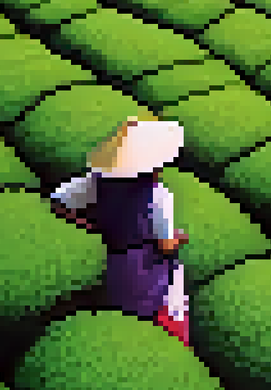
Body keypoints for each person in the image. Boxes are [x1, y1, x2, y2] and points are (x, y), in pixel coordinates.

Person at [49, 117, 190, 346]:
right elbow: (165, 246)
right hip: (147, 268)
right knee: (167, 311)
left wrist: (86, 225)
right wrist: (178, 239)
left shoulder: (95, 182)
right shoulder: (158, 195)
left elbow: (58, 201)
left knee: (124, 322)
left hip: (115, 262)